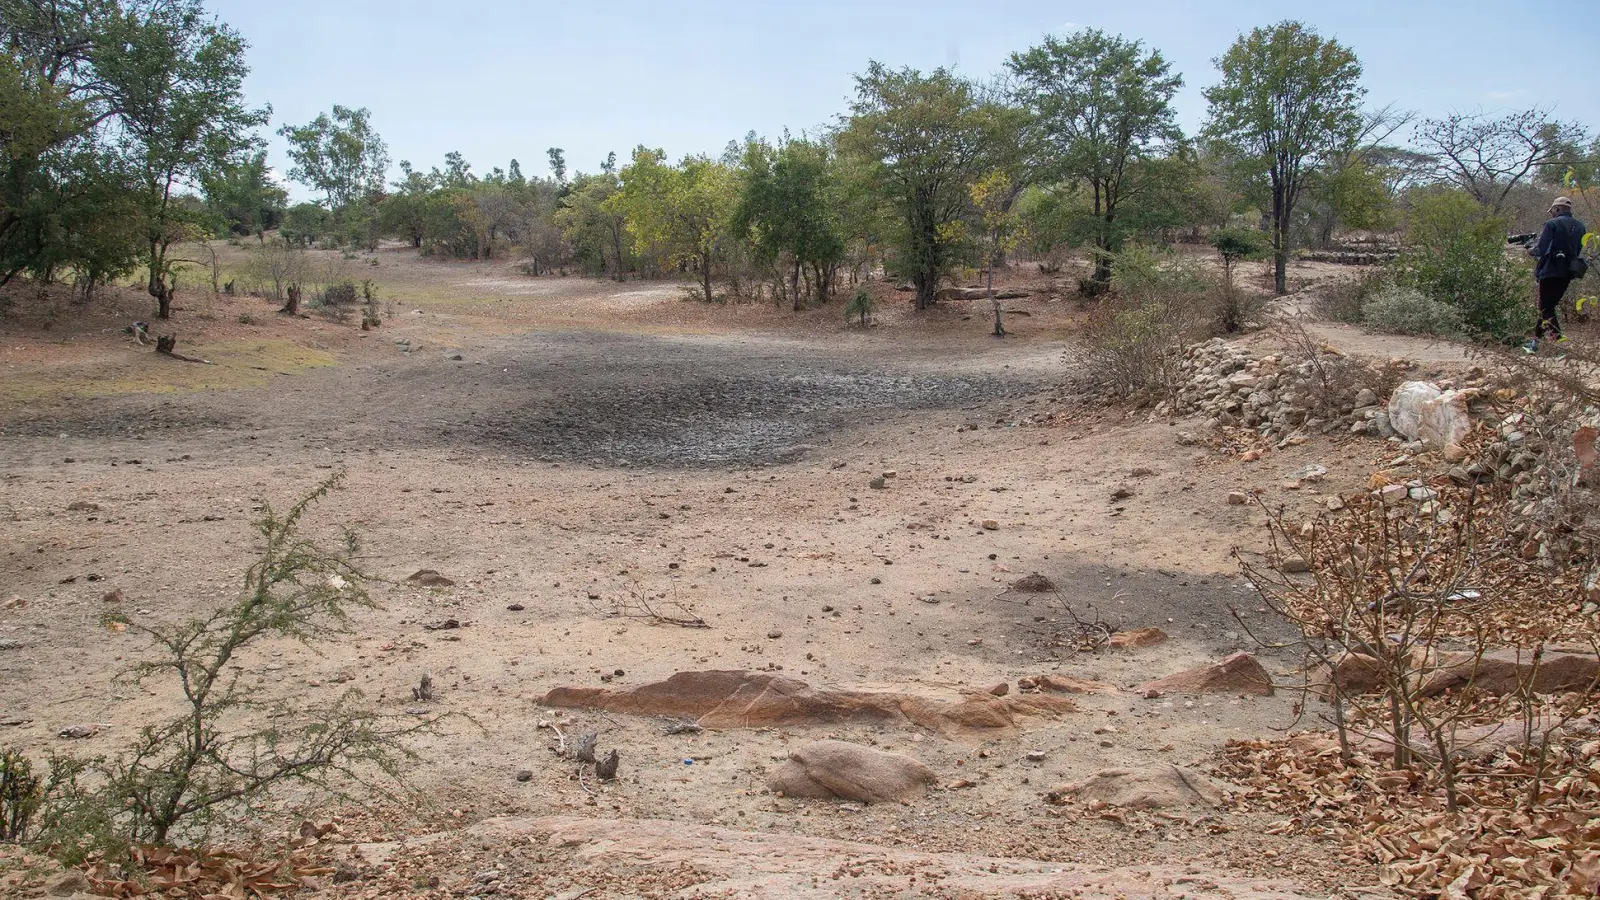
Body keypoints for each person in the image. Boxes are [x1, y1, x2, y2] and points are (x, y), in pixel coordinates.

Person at [1525, 196, 1587, 352]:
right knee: (1547, 307)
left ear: (1558, 209)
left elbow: (1541, 249)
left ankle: (1559, 343)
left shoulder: (1552, 224)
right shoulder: (1581, 227)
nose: (1551, 213)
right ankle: (1535, 344)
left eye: (1552, 210)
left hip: (1550, 271)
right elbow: (1578, 250)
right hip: (1568, 272)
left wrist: (1530, 250)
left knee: (1545, 308)